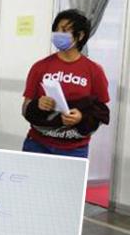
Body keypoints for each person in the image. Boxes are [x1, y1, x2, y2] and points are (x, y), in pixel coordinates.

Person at [22, 9, 110, 158]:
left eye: (64, 30)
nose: (59, 34)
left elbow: (101, 112)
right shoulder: (40, 67)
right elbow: (25, 109)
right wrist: (38, 105)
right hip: (37, 145)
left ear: (80, 35)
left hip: (75, 149)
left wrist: (82, 117)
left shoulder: (94, 70)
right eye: (56, 30)